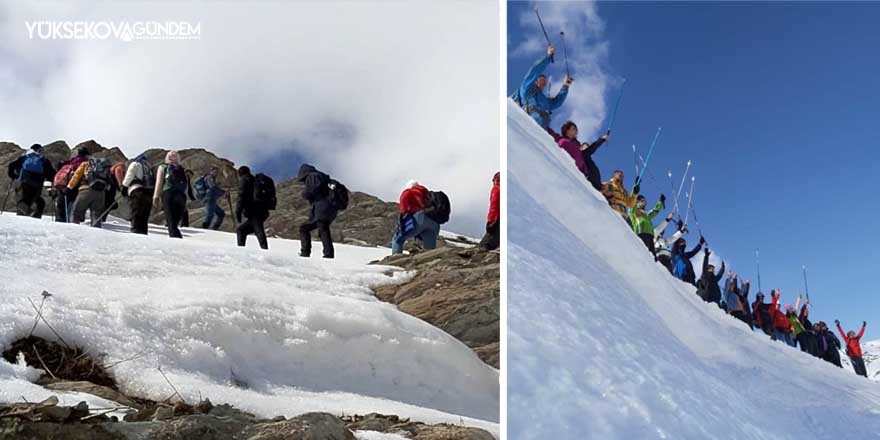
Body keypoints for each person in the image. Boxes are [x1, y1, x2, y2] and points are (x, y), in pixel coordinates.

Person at [517, 45, 572, 130]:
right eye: (541, 80)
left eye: (545, 81)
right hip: (528, 120)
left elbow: (557, 102)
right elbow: (534, 71)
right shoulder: (527, 90)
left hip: (543, 126)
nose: (544, 82)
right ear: (535, 81)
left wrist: (565, 86)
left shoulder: (546, 101)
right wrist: (548, 57)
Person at [552, 121, 610, 191]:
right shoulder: (564, 142)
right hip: (574, 175)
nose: (576, 131)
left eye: (576, 129)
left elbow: (588, 151)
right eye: (573, 129)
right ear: (567, 131)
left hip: (588, 177)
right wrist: (601, 140)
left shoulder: (577, 145)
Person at [391, 180, 441, 255]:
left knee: (397, 239)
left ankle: (395, 258)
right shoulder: (427, 193)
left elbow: (404, 208)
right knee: (429, 248)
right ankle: (429, 260)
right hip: (434, 220)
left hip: (420, 217)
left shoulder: (408, 192)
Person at [298, 164, 337, 258]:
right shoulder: (324, 178)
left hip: (322, 208)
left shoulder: (312, 176)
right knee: (321, 229)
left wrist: (304, 194)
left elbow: (312, 190)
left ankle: (309, 253)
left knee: (318, 229)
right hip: (330, 209)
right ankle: (327, 253)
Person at [6, 144, 56, 218]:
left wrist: (13, 175)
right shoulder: (44, 160)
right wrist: (51, 186)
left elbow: (11, 165)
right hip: (37, 184)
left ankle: (26, 216)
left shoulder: (25, 157)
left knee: (26, 201)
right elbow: (51, 174)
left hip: (23, 181)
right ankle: (34, 217)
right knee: (38, 202)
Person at [66, 154, 111, 227]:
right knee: (96, 214)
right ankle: (97, 233)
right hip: (101, 192)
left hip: (85, 190)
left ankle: (73, 231)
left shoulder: (85, 164)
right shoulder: (105, 167)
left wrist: (69, 187)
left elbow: (76, 176)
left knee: (76, 212)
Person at [152, 151, 189, 238]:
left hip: (168, 193)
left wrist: (156, 196)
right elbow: (186, 185)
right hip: (181, 195)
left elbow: (159, 182)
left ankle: (175, 239)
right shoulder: (182, 168)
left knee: (170, 218)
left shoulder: (163, 167)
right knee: (175, 219)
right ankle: (177, 237)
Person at [235, 166, 270, 250]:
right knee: (242, 230)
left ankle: (265, 250)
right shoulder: (255, 180)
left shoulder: (244, 180)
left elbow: (241, 196)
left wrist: (238, 211)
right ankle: (241, 250)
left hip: (254, 210)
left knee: (258, 230)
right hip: (262, 210)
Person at [53, 148, 90, 222]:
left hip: (63, 184)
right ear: (86, 155)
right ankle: (68, 223)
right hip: (74, 186)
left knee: (61, 205)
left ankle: (59, 221)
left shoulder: (70, 161)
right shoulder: (84, 163)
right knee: (72, 205)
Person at [122, 154, 155, 235]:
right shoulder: (149, 166)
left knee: (136, 213)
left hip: (137, 190)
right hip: (148, 192)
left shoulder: (135, 164)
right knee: (144, 215)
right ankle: (143, 232)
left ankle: (135, 231)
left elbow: (129, 176)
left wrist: (124, 187)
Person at [479, 172, 500, 251]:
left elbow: (494, 206)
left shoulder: (496, 189)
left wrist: (490, 221)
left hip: (496, 219)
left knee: (485, 245)